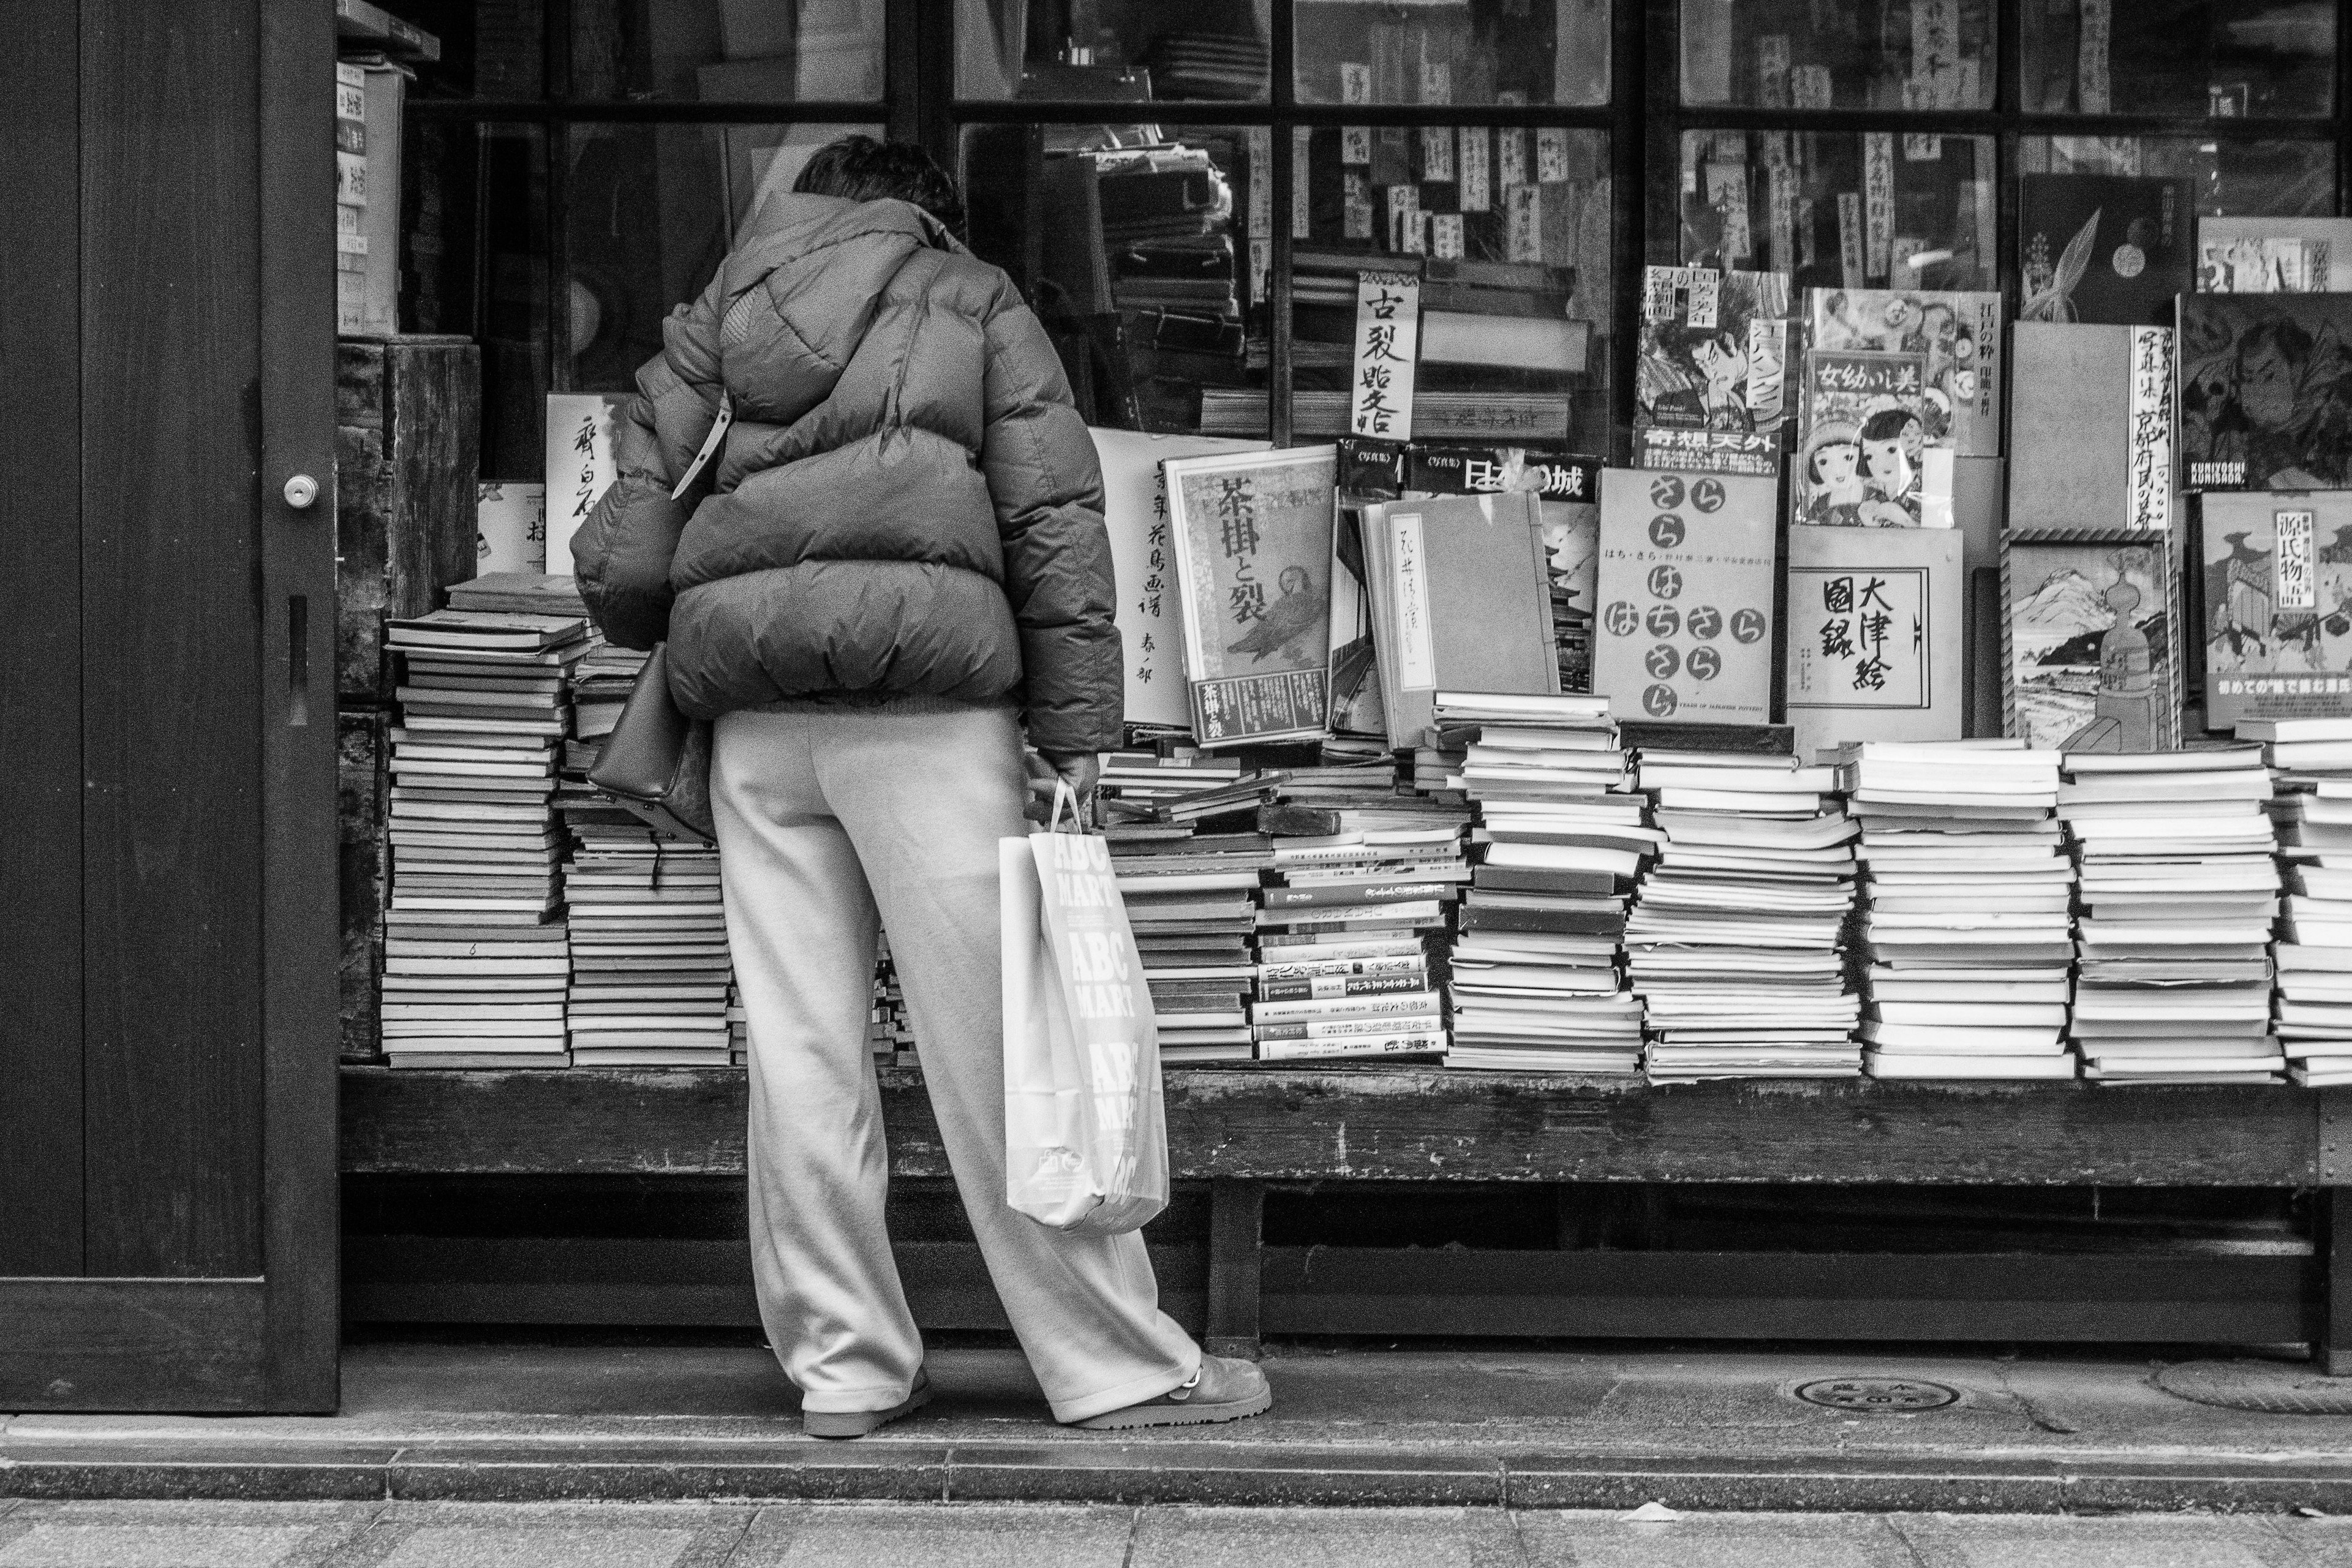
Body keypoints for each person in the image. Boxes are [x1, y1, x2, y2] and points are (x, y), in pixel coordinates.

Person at [571, 135, 1272, 1439]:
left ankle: (846, 1366)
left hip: (758, 722)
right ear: (926, 215)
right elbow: (1055, 531)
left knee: (802, 1055)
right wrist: (1076, 743)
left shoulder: (713, 318)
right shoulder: (979, 301)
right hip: (928, 707)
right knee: (997, 1047)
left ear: (811, 209)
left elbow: (620, 562)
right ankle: (1111, 1360)